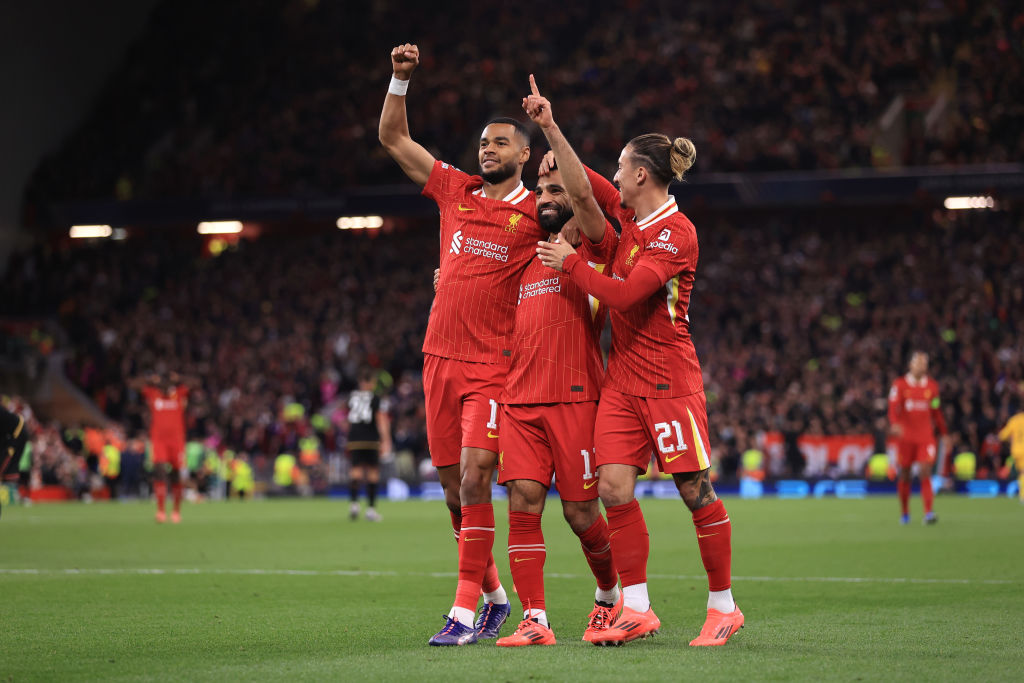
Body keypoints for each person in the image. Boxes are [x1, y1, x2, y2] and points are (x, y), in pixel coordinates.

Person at [535, 84, 743, 646]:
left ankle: (723, 607)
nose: (616, 178)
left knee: (695, 490)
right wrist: (551, 129)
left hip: (668, 378)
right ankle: (637, 606)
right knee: (613, 487)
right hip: (623, 380)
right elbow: (585, 185)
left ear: (643, 176)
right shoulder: (630, 226)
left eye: (622, 169)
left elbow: (626, 299)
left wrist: (572, 264)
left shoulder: (677, 233)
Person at [379, 43, 546, 645]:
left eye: (499, 143)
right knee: (453, 489)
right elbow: (394, 139)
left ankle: (462, 612)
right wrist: (400, 80)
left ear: (524, 155)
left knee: (478, 478)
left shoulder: (539, 215)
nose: (487, 150)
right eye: (483, 143)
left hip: (493, 367)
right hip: (438, 358)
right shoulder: (456, 189)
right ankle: (496, 596)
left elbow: (584, 226)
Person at [887, 351, 949, 524]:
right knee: (905, 474)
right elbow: (893, 407)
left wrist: (944, 433)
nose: (922, 366)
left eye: (924, 363)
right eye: (918, 363)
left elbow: (936, 411)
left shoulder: (932, 387)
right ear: (910, 365)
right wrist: (894, 423)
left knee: (925, 471)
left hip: (925, 437)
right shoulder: (899, 385)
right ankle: (905, 513)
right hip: (906, 437)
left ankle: (928, 513)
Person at [131, 372, 194, 523]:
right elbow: (132, 384)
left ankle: (176, 511)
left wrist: (179, 378)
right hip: (159, 441)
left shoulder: (178, 394)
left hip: (177, 441)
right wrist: (149, 380)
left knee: (176, 474)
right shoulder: (153, 393)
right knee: (159, 470)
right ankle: (160, 511)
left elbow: (195, 382)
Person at [346, 369, 393, 522]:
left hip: (354, 438)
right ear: (371, 382)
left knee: (355, 471)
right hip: (371, 438)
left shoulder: (353, 397)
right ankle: (371, 510)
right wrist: (386, 440)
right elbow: (381, 419)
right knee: (373, 472)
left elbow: (347, 418)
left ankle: (354, 505)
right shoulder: (376, 398)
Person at [998, 409, 1024, 503]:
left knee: (1022, 473)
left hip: (1017, 450)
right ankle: (1023, 495)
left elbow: (1002, 435)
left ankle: (1022, 495)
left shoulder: (1013, 420)